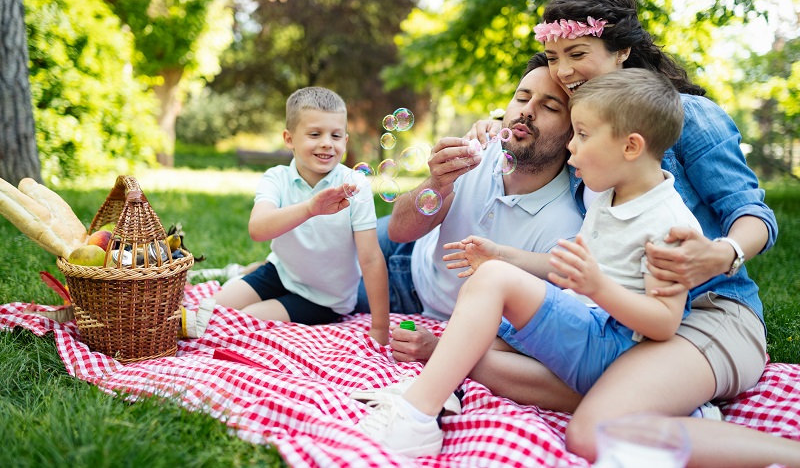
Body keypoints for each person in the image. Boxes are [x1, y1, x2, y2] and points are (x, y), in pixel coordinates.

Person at [467, 0, 798, 467]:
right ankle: (675, 409)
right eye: (553, 56)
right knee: (476, 350)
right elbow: (532, 134)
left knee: (594, 430)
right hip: (622, 320)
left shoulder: (689, 116)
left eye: (576, 53)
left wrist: (721, 252)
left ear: (623, 49)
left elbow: (753, 214)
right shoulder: (589, 134)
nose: (562, 71)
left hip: (707, 313)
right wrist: (497, 122)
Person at [355, 68, 703, 457]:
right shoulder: (606, 197)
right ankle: (438, 388)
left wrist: (594, 286)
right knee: (481, 343)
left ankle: (417, 415)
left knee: (491, 284)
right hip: (431, 273)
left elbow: (665, 322)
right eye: (521, 98)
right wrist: (499, 253)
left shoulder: (668, 225)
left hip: (607, 340)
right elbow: (563, 267)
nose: (574, 148)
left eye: (580, 133)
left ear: (630, 147)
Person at [352, 53, 585, 364]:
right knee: (318, 242)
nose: (527, 112)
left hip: (408, 294)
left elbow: (521, 334)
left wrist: (442, 345)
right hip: (411, 254)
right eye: (522, 97)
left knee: (315, 290)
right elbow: (399, 231)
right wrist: (436, 182)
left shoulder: (565, 224)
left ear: (573, 131)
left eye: (550, 107)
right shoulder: (479, 152)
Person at [212, 86, 390, 345]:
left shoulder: (354, 185)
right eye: (315, 134)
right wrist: (310, 209)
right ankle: (253, 271)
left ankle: (252, 278)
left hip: (323, 297)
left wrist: (380, 327)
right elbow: (258, 229)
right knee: (214, 311)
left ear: (346, 141)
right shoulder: (277, 177)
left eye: (336, 135)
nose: (327, 143)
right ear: (289, 139)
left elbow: (371, 258)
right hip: (280, 272)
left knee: (248, 319)